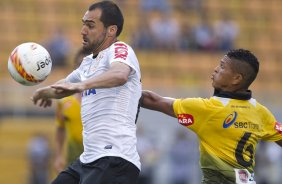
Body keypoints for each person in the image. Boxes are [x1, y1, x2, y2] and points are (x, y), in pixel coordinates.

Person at [31, 1, 142, 184]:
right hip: (88, 160)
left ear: (111, 30)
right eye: (83, 24)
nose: (83, 30)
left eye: (90, 25)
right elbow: (64, 86)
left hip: (114, 158)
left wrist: (82, 86)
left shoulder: (120, 49)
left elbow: (120, 74)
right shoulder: (88, 62)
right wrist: (43, 93)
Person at [140, 49, 282, 183]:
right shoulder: (260, 111)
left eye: (222, 66)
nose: (216, 69)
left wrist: (124, 88)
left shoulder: (208, 109)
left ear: (236, 79)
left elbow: (153, 100)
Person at [53, 48, 91, 173]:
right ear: (75, 68)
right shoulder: (64, 102)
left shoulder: (102, 100)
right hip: (73, 160)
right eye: (80, 64)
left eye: (89, 64)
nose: (84, 68)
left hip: (97, 161)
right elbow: (60, 128)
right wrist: (58, 155)